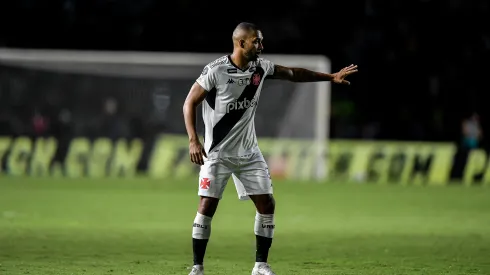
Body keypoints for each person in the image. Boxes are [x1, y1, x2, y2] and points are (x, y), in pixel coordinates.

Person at [183, 22, 358, 275]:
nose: (261, 46)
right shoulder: (216, 70)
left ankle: (260, 265)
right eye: (256, 41)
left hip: (249, 154)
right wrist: (193, 139)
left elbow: (293, 74)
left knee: (267, 205)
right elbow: (189, 103)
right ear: (241, 43)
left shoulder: (260, 68)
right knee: (206, 206)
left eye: (261, 41)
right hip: (217, 153)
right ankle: (197, 267)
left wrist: (330, 77)